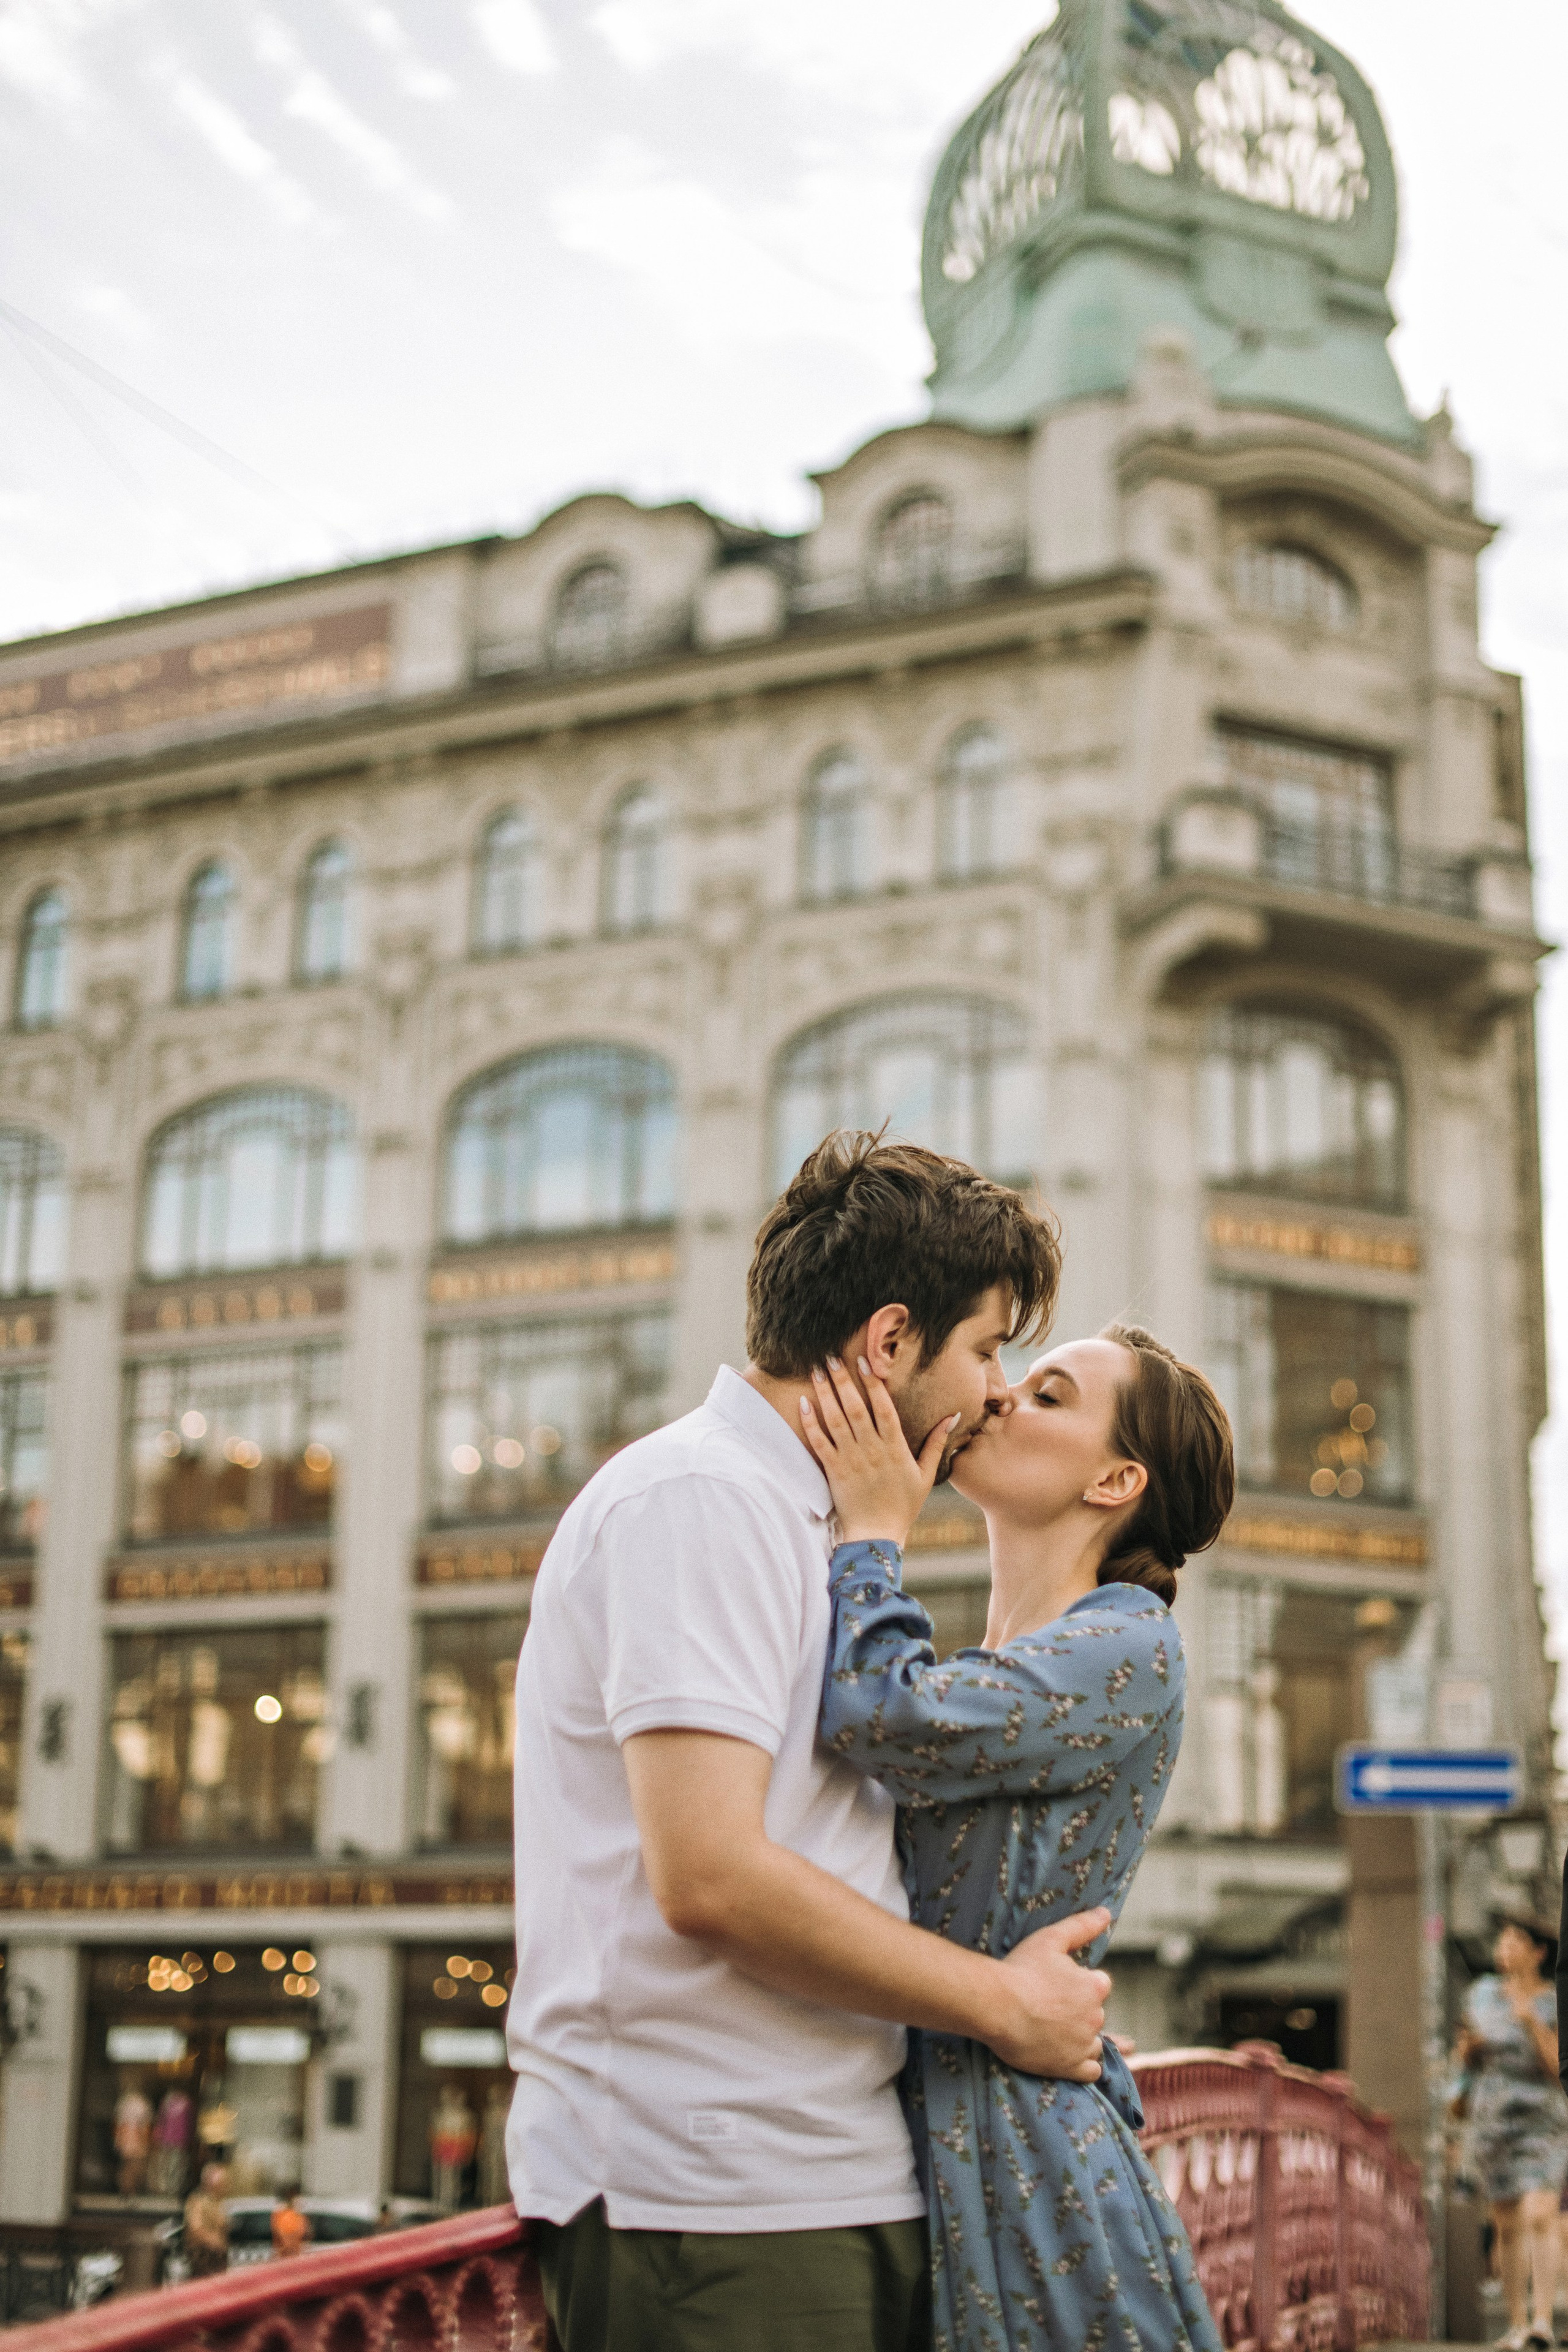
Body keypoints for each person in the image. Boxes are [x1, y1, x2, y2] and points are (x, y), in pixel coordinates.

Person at [510, 1133, 1112, 2352]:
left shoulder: (816, 1522)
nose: (997, 1390)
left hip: (824, 2174)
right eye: (988, 1349)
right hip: (712, 2196)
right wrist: (1003, 2005)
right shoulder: (697, 1500)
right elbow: (711, 1877)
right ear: (889, 1344)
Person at [800, 1325, 1232, 2351]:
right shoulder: (1019, 1656)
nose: (1000, 1401)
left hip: (1027, 2167)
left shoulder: (1130, 1639)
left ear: (1116, 1479)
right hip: (935, 2135)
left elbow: (881, 1715)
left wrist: (869, 1534)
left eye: (1047, 1396)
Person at [1457, 1918, 1568, 2351]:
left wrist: (1530, 2023)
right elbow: (1467, 2057)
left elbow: (1556, 2067)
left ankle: (1542, 2320)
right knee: (1505, 2224)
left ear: (1538, 1951)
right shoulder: (1482, 1994)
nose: (1505, 1947)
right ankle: (1517, 2323)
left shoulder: (1554, 2000)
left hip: (1544, 2120)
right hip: (1494, 2119)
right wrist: (1470, 2050)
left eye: (1515, 1940)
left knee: (1540, 2212)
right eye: (1502, 1939)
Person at [182, 2163, 230, 2278]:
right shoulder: (198, 2202)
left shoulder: (217, 2203)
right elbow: (195, 2229)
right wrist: (214, 2241)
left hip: (216, 2260)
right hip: (204, 2258)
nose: (226, 2187)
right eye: (223, 2183)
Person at [270, 2192, 312, 2259]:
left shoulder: (299, 2218)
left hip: (292, 2254)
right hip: (287, 2254)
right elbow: (283, 2234)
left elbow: (305, 2234)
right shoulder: (287, 2217)